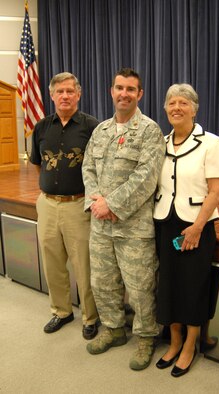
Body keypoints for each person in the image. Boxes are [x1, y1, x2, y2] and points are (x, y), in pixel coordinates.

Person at [82, 67, 166, 371]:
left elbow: (146, 178)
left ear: (140, 94)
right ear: (111, 91)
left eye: (131, 89)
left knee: (141, 286)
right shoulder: (100, 130)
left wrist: (112, 204)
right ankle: (114, 329)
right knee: (103, 282)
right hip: (100, 224)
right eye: (119, 87)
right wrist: (96, 201)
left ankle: (146, 337)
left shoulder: (149, 131)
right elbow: (87, 169)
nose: (124, 93)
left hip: (133, 227)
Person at [153, 83, 219, 377]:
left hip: (197, 224)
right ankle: (175, 340)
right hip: (165, 221)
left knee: (193, 287)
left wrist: (197, 227)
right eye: (171, 103)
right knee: (168, 283)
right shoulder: (160, 142)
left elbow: (216, 190)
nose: (176, 108)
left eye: (184, 103)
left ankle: (190, 346)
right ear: (165, 109)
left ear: (195, 109)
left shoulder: (211, 142)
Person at [30, 72, 99, 340]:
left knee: (84, 264)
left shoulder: (92, 127)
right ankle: (61, 311)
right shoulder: (41, 127)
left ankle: (90, 316)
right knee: (52, 262)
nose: (65, 96)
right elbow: (37, 162)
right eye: (60, 91)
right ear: (52, 95)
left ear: (79, 94)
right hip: (47, 205)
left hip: (78, 204)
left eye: (70, 91)